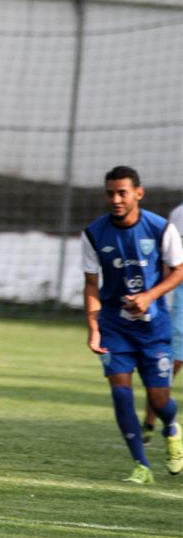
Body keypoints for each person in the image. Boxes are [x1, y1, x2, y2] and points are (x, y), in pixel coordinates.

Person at [82, 166, 183, 483]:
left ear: (138, 193)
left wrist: (149, 296)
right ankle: (141, 465)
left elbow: (179, 271)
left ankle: (170, 426)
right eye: (110, 193)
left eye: (122, 192)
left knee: (159, 400)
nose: (116, 199)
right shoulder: (93, 234)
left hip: (153, 329)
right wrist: (93, 326)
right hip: (115, 327)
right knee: (121, 392)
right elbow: (90, 285)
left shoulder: (160, 228)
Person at [143, 202, 183, 444]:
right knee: (171, 361)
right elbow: (169, 263)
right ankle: (149, 422)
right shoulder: (180, 215)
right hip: (179, 298)